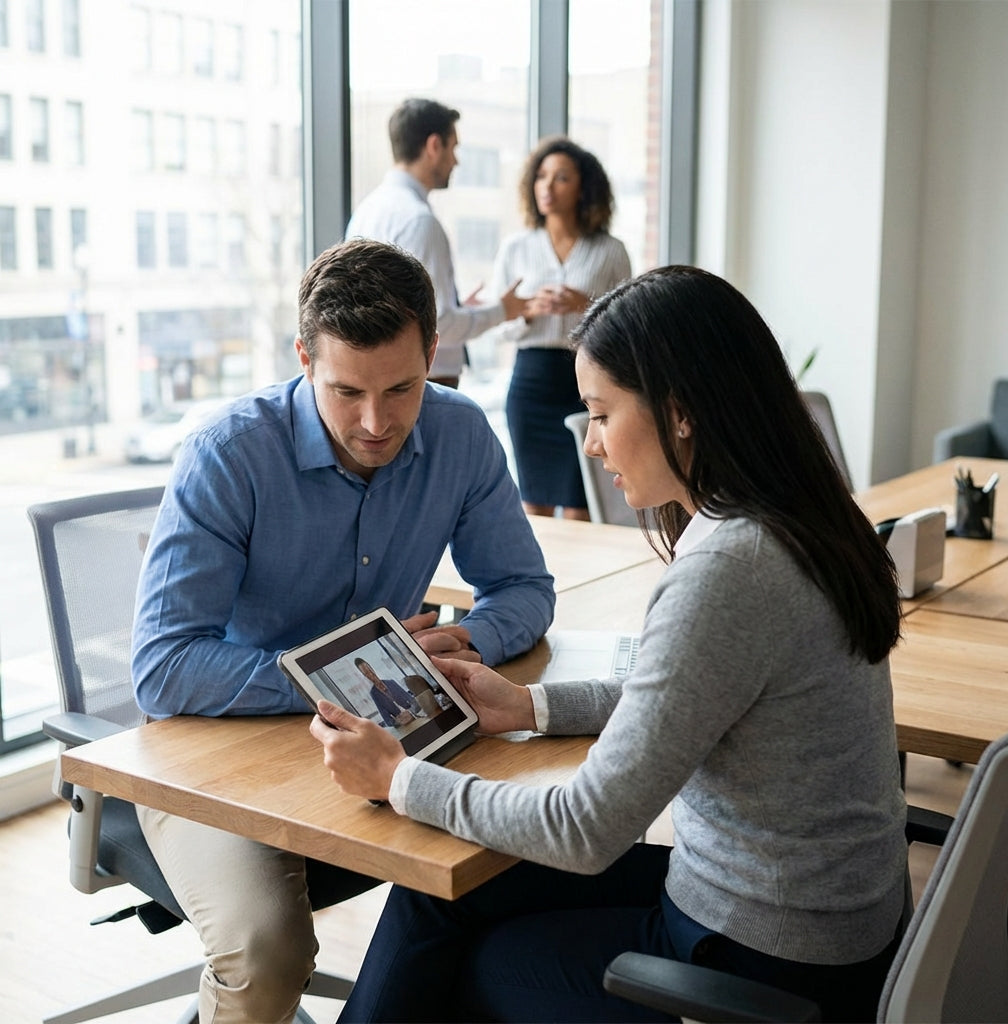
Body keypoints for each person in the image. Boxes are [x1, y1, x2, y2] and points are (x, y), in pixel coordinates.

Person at [310, 265, 908, 1023]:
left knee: (475, 964)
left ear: (680, 413)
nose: (591, 444)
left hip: (761, 955)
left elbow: (584, 828)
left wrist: (398, 777)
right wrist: (528, 705)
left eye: (599, 413)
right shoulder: (799, 519)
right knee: (441, 894)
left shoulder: (730, 568)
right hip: (814, 923)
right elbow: (694, 692)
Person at [131, 238, 555, 1024]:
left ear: (433, 352)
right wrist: (349, 675)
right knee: (265, 951)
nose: (375, 422)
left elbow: (524, 588)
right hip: (217, 754)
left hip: (381, 743)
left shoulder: (460, 434)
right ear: (304, 359)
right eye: (346, 391)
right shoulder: (229, 455)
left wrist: (472, 640)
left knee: (522, 855)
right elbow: (163, 668)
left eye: (401, 388)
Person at [491, 135, 632, 519]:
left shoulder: (611, 250)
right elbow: (498, 328)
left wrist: (586, 306)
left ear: (584, 188)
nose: (547, 186)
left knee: (579, 506)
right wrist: (527, 312)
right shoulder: (516, 248)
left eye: (561, 177)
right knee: (532, 506)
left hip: (586, 384)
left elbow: (628, 323)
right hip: (531, 384)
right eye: (541, 176)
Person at [345, 97, 528, 388]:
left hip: (390, 376)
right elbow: (439, 323)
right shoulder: (419, 220)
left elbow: (399, 309)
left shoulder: (368, 210)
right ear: (433, 146)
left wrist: (458, 307)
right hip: (425, 380)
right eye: (453, 148)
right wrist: (503, 311)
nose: (456, 161)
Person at [354, 657, 420, 727]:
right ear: (364, 676)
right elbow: (387, 720)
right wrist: (398, 721)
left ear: (372, 669)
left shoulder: (391, 682)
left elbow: (414, 702)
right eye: (366, 673)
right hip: (404, 726)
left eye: (370, 670)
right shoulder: (374, 694)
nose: (370, 674)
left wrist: (410, 712)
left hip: (415, 718)